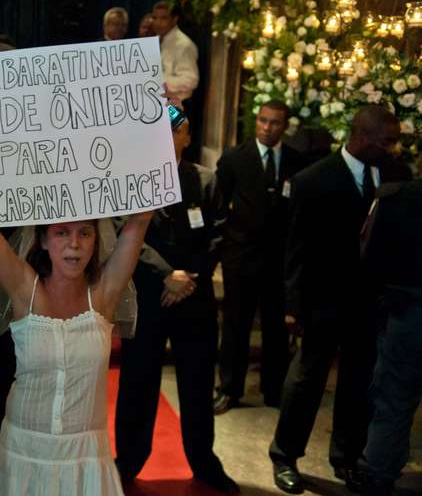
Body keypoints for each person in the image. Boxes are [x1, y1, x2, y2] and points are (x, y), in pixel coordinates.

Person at [0, 111, 155, 495]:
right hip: (23, 455)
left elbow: (139, 221)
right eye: (62, 233)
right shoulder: (24, 287)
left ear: (96, 241)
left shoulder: (106, 293)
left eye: (84, 234)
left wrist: (156, 141)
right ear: (44, 240)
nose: (74, 244)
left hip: (86, 459)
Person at [268, 105, 403, 494]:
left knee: (359, 383)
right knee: (307, 381)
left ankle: (344, 458)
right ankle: (285, 456)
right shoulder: (314, 180)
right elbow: (294, 250)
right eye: (386, 141)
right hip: (323, 301)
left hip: (372, 303)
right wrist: (293, 308)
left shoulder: (396, 176)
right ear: (361, 137)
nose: (393, 149)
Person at [115, 117, 239, 493]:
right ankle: (128, 461)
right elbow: (124, 230)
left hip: (194, 297)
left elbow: (219, 233)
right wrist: (166, 274)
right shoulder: (131, 177)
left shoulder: (205, 179)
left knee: (198, 384)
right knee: (137, 383)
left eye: (176, 130)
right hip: (149, 295)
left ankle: (204, 462)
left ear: (187, 135)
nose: (167, 137)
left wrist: (188, 278)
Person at [214, 100, 310, 413]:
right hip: (241, 257)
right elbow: (218, 207)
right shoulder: (234, 158)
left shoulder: (297, 162)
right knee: (235, 326)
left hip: (278, 260)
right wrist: (224, 248)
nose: (267, 128)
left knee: (275, 328)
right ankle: (229, 389)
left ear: (285, 126)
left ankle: (273, 390)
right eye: (263, 121)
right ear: (257, 121)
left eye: (275, 123)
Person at [355, 178, 422, 496]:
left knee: (393, 399)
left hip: (405, 311)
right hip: (405, 309)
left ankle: (379, 476)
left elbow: (369, 253)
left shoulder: (396, 198)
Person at [151, 0, 198, 102]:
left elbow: (190, 80)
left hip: (176, 105)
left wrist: (156, 82)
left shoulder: (184, 45)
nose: (158, 23)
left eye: (163, 18)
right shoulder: (156, 41)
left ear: (174, 19)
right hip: (158, 103)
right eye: (155, 18)